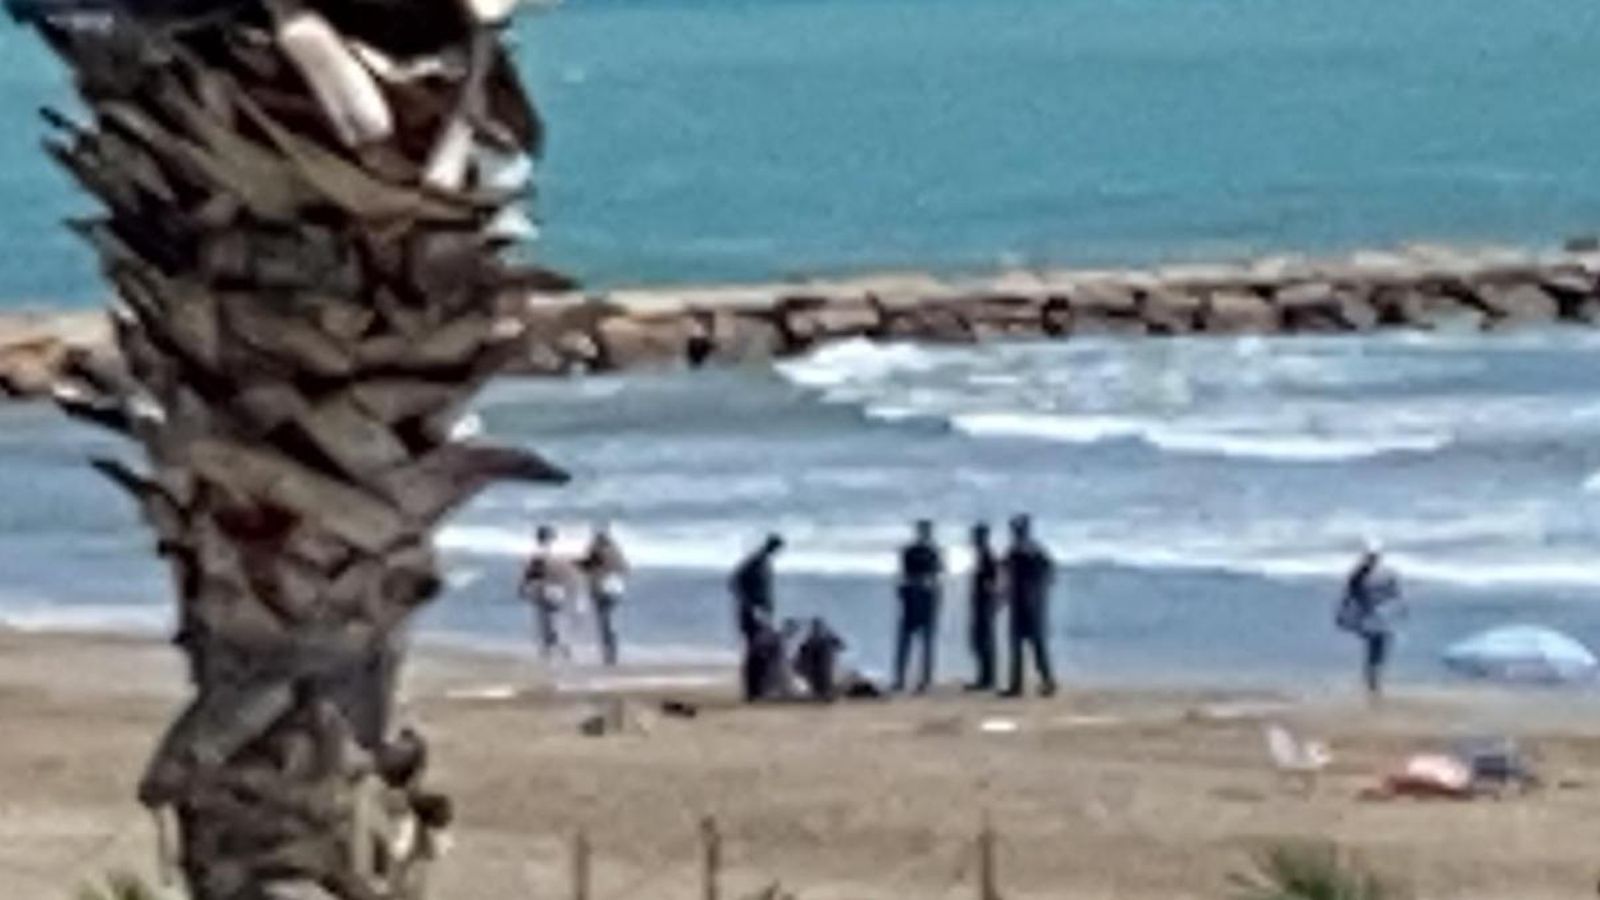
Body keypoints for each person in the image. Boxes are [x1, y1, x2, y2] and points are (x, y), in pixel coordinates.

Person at [1337, 539, 1405, 701]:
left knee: (1375, 651)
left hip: (1371, 617)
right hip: (1374, 618)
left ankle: (1373, 684)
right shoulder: (1378, 574)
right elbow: (1394, 593)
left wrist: (1344, 615)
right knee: (1376, 650)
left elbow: (1348, 597)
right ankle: (1373, 686)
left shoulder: (1359, 574)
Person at [1003, 515, 1057, 698]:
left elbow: (1005, 576)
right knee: (1035, 646)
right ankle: (1044, 682)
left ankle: (1021, 685)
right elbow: (1050, 575)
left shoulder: (1018, 551)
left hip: (1024, 604)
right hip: (1031, 604)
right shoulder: (1035, 550)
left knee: (1026, 646)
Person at [730, 535, 785, 701]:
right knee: (755, 651)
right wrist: (749, 604)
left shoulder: (763, 562)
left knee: (760, 650)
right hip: (752, 612)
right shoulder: (756, 562)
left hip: (761, 612)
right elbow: (734, 581)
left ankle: (758, 688)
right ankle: (752, 690)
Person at [894, 520, 944, 693]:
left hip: (921, 598)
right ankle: (910, 679)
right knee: (916, 642)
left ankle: (917, 680)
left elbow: (935, 577)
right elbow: (936, 577)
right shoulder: (925, 552)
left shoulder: (924, 551)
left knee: (918, 643)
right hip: (919, 598)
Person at [521, 525, 579, 661]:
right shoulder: (559, 553)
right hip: (559, 590)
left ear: (538, 538)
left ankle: (550, 649)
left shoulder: (538, 554)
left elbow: (533, 574)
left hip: (545, 589)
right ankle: (562, 646)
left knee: (545, 621)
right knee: (556, 619)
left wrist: (523, 587)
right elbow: (568, 573)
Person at [582, 524, 630, 667]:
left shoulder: (594, 550)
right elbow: (625, 569)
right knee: (608, 621)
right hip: (614, 589)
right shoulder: (616, 550)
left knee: (604, 622)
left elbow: (588, 571)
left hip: (599, 589)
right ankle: (611, 652)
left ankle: (609, 654)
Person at [966, 523, 1002, 691]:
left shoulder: (987, 556)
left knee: (983, 641)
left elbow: (994, 582)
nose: (973, 540)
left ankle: (987, 679)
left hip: (984, 605)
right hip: (982, 604)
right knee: (980, 641)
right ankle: (985, 677)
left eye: (976, 537)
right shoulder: (983, 555)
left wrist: (992, 601)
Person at [795, 617, 846, 702]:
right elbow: (842, 646)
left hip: (818, 679)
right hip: (825, 678)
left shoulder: (810, 641)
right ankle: (826, 692)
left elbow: (798, 664)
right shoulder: (828, 639)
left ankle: (823, 692)